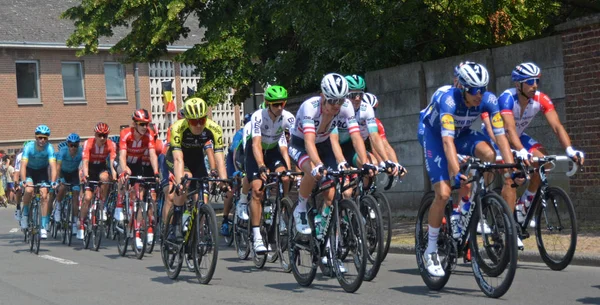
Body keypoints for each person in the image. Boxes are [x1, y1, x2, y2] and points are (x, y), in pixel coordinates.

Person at [418, 62, 519, 277]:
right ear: (462, 87)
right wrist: (455, 171)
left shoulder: (489, 100)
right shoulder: (447, 100)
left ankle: (466, 206)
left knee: (490, 155)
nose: (479, 94)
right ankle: (431, 250)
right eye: (474, 90)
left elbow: (501, 137)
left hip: (461, 133)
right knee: (444, 193)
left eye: (483, 88)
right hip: (435, 135)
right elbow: (447, 142)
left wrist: (510, 171)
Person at [481, 62, 585, 229]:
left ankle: (523, 206)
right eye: (529, 81)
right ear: (518, 84)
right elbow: (509, 129)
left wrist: (569, 149)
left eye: (537, 80)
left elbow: (557, 126)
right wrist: (521, 151)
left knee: (545, 161)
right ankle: (508, 226)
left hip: (518, 136)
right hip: (497, 138)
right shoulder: (507, 99)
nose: (534, 85)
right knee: (512, 177)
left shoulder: (540, 99)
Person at [288, 73, 376, 236]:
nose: (337, 105)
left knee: (331, 192)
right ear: (322, 96)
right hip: (300, 144)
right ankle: (300, 209)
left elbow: (356, 136)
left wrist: (365, 163)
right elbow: (309, 141)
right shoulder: (310, 107)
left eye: (341, 100)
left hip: (324, 143)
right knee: (311, 169)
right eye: (333, 100)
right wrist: (319, 165)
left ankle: (325, 234)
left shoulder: (346, 106)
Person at [163, 97, 228, 243]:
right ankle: (175, 226)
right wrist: (180, 183)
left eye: (202, 120)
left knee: (203, 199)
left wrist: (223, 181)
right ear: (187, 119)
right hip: (177, 159)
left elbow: (219, 158)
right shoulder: (177, 128)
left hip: (197, 160)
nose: (198, 125)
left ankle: (197, 236)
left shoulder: (214, 128)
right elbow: (178, 159)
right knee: (186, 180)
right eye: (194, 121)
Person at [331, 75, 402, 190]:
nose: (358, 98)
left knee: (372, 165)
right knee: (338, 193)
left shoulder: (366, 109)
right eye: (353, 95)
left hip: (349, 146)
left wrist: (386, 161)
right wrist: (341, 161)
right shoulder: (337, 109)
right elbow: (333, 139)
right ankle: (329, 206)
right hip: (332, 147)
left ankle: (362, 200)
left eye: (361, 94)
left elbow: (374, 136)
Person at [247, 85, 294, 253]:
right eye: (275, 104)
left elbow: (292, 144)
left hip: (273, 150)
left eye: (282, 103)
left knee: (286, 177)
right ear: (268, 104)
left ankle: (282, 210)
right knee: (257, 190)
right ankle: (257, 235)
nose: (280, 107)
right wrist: (261, 165)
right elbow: (256, 144)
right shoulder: (258, 116)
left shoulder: (288, 118)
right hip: (256, 152)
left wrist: (292, 167)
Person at [117, 109, 160, 249]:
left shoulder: (148, 134)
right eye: (141, 124)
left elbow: (153, 155)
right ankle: (119, 204)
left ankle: (137, 231)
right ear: (135, 123)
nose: (144, 127)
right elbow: (122, 155)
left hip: (138, 164)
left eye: (146, 124)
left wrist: (156, 172)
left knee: (140, 197)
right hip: (124, 163)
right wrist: (124, 169)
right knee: (123, 176)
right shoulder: (126, 133)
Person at [19, 125, 57, 239]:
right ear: (36, 137)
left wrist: (53, 182)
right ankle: (25, 215)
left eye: (45, 138)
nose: (42, 140)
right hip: (30, 172)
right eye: (40, 137)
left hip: (41, 173)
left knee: (45, 195)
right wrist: (24, 180)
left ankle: (43, 226)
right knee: (29, 189)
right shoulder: (29, 147)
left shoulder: (49, 148)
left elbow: (53, 167)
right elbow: (23, 166)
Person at [81, 123, 118, 239]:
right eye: (99, 135)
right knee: (87, 198)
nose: (102, 138)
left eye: (105, 136)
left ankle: (102, 205)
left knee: (105, 178)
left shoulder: (111, 144)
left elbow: (112, 162)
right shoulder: (88, 143)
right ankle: (81, 224)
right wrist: (86, 175)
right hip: (90, 168)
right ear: (95, 135)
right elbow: (85, 161)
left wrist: (115, 175)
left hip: (101, 167)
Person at [220, 113, 251, 236]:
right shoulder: (240, 133)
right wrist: (237, 173)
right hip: (235, 160)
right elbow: (234, 150)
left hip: (247, 160)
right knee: (232, 189)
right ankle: (225, 220)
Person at [54, 133, 82, 233]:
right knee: (62, 188)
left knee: (75, 195)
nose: (73, 147)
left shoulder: (81, 152)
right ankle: (58, 206)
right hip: (63, 172)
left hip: (74, 173)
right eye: (71, 145)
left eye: (75, 145)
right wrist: (58, 179)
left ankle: (74, 222)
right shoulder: (63, 151)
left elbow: (84, 165)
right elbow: (58, 167)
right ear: (68, 145)